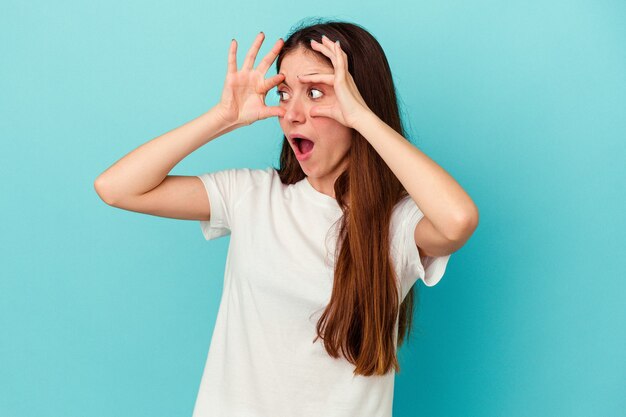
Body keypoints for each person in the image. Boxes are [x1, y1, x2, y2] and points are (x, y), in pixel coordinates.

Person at [94, 19, 478, 417]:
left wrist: (363, 118)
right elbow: (117, 187)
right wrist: (222, 117)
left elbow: (458, 220)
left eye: (316, 93)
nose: (292, 113)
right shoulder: (252, 195)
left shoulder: (396, 224)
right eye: (284, 93)